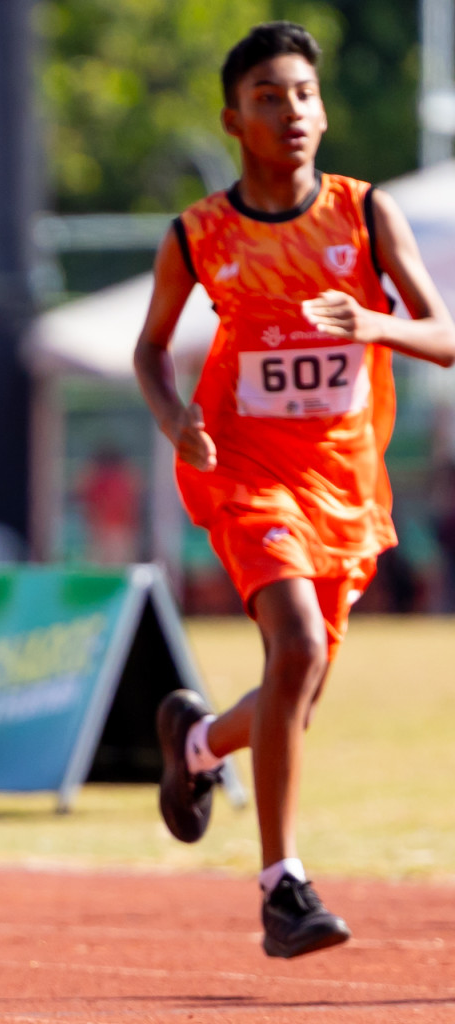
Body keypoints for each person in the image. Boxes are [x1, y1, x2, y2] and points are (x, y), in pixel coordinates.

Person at [133, 22, 455, 959]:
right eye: (270, 97)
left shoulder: (364, 214)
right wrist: (171, 415)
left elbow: (444, 333)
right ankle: (284, 887)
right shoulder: (200, 233)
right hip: (245, 475)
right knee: (298, 646)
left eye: (304, 95)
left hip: (346, 483)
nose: (293, 113)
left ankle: (195, 746)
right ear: (234, 118)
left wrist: (375, 324)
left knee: (296, 691)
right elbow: (152, 347)